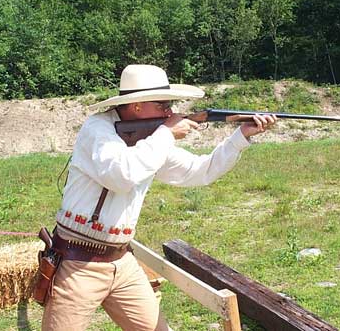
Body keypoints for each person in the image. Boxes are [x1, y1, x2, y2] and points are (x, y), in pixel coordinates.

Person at [41, 64, 277, 331]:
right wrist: (166, 133)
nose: (170, 112)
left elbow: (200, 172)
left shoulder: (150, 140)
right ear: (138, 106)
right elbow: (121, 175)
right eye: (163, 104)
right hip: (78, 263)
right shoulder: (98, 129)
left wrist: (240, 137)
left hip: (122, 259)